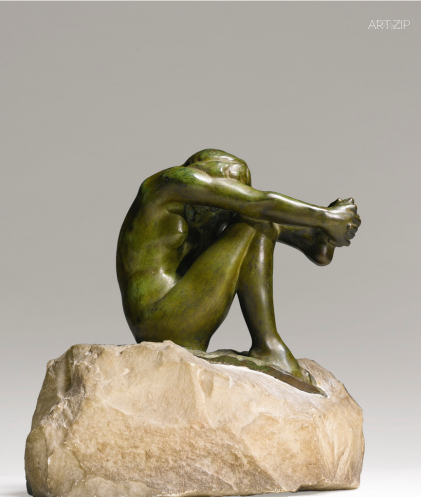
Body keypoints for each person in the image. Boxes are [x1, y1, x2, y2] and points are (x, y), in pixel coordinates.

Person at [117, 149, 361, 384]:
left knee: (259, 218)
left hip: (183, 312)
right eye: (226, 191)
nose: (221, 208)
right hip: (158, 320)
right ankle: (268, 345)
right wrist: (327, 218)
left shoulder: (205, 209)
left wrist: (322, 231)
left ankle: (313, 240)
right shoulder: (169, 184)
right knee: (258, 216)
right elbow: (258, 204)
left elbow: (259, 212)